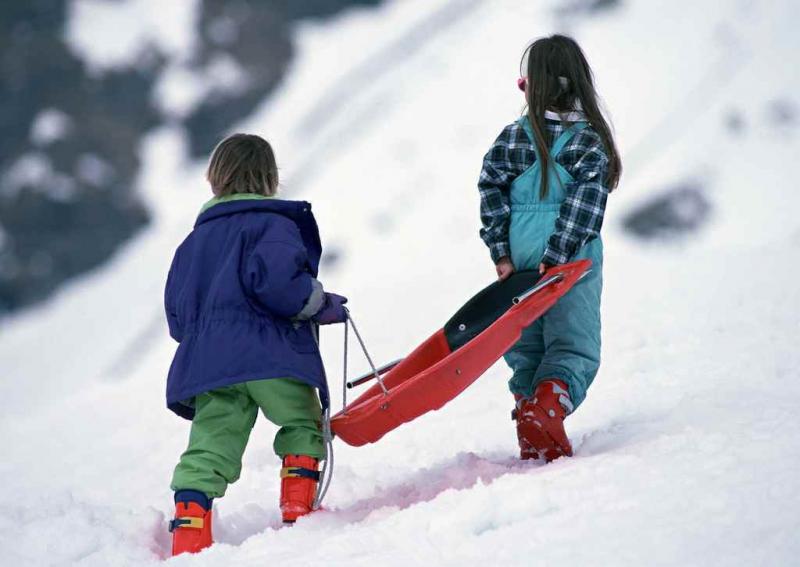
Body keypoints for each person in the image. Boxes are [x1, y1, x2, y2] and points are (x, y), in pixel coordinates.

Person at [163, 133, 347, 555]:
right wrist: (319, 304)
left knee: (211, 440)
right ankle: (298, 509)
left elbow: (178, 317)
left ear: (214, 179)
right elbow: (282, 287)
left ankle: (189, 533)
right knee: (301, 422)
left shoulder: (192, 243)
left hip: (213, 366)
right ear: (270, 179)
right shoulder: (273, 225)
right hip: (273, 356)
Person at [477, 34, 622, 463]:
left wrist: (501, 253)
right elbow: (585, 203)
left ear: (531, 85)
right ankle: (547, 408)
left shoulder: (511, 139)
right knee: (573, 344)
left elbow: (491, 192)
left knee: (527, 344)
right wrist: (559, 255)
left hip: (520, 262)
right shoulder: (587, 141)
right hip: (571, 262)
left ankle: (528, 413)